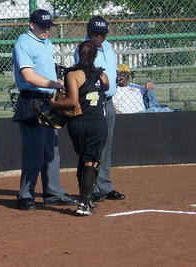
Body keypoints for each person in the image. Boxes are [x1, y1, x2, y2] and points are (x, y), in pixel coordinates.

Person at [12, 9, 78, 210]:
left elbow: (46, 71)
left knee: (51, 151)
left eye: (49, 26)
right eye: (42, 26)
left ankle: (53, 193)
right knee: (35, 153)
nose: (47, 30)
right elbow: (28, 76)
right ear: (32, 25)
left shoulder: (46, 43)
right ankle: (25, 195)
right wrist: (55, 84)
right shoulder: (23, 42)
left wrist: (59, 81)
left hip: (48, 100)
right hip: (32, 101)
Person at [50, 40, 109, 216]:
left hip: (77, 122)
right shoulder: (102, 76)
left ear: (78, 54)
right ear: (96, 56)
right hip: (97, 122)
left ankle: (86, 197)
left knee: (83, 159)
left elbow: (72, 101)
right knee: (92, 161)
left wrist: (54, 103)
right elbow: (106, 87)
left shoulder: (73, 74)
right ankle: (84, 203)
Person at [74, 16, 126, 202]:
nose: (98, 36)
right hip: (93, 102)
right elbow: (85, 74)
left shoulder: (109, 48)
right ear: (88, 31)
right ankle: (91, 188)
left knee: (107, 146)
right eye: (95, 33)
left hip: (109, 101)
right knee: (93, 147)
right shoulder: (85, 49)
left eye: (102, 33)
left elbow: (109, 70)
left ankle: (104, 186)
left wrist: (118, 78)